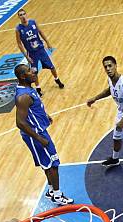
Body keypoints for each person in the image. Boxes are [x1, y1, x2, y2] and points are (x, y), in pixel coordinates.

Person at [14, 63, 73, 206]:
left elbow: (33, 109)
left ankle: (51, 191)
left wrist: (45, 115)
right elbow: (20, 122)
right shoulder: (23, 97)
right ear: (22, 76)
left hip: (38, 131)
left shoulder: (28, 88)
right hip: (36, 135)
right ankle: (58, 196)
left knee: (47, 163)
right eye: (29, 71)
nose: (34, 71)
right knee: (53, 163)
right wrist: (39, 138)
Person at [15, 8, 64, 97]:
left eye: (23, 14)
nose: (23, 16)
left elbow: (40, 32)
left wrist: (48, 42)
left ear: (26, 14)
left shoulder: (33, 22)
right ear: (18, 17)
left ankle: (57, 79)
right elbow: (19, 44)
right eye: (20, 15)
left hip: (41, 50)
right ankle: (38, 88)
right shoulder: (18, 29)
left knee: (52, 67)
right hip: (32, 53)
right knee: (34, 72)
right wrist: (26, 56)